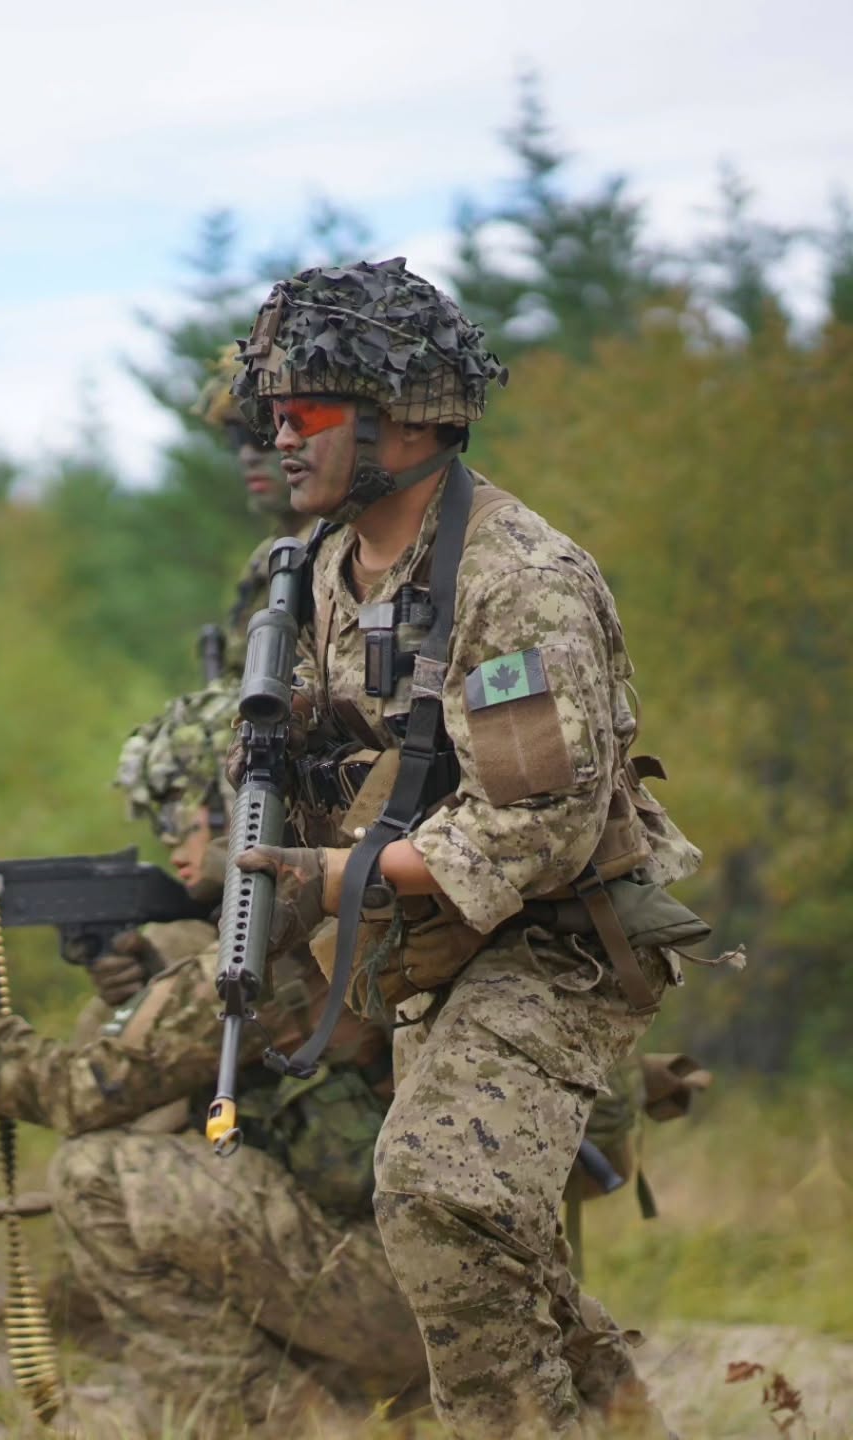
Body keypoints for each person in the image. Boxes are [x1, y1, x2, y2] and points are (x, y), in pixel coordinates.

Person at [223, 258, 733, 1437]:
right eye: (273, 416)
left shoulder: (519, 583)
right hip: (434, 948)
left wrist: (337, 876)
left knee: (437, 1195)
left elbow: (540, 828)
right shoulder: (321, 578)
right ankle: (611, 1413)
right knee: (479, 1235)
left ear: (406, 417)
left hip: (561, 939)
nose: (280, 442)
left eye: (303, 414)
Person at [0, 686, 429, 1426]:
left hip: (389, 1299)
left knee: (94, 1179)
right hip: (429, 1284)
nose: (173, 846)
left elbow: (74, 1092)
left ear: (241, 813)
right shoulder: (349, 902)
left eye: (183, 818)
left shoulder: (267, 953)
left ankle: (263, 1419)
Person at [192, 344, 319, 679]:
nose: (248, 456)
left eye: (263, 433)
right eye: (236, 438)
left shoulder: (340, 555)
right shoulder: (270, 556)